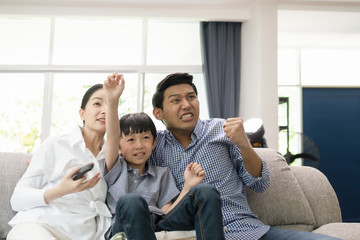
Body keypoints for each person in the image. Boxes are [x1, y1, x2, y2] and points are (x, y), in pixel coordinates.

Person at [150, 72, 341, 240]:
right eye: (176, 100)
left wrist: (243, 143)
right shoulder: (152, 146)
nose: (186, 104)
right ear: (158, 113)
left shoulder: (221, 129)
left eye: (191, 97)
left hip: (246, 229)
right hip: (195, 233)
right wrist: (117, 101)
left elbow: (259, 182)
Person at [101, 73, 225, 240]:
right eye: (130, 140)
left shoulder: (161, 174)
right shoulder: (116, 168)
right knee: (132, 201)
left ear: (154, 143)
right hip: (127, 222)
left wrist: (188, 186)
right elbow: (112, 136)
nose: (139, 145)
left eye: (145, 138)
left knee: (206, 191)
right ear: (119, 147)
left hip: (158, 223)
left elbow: (168, 212)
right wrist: (112, 101)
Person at [8, 83, 113, 240]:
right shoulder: (56, 145)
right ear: (82, 114)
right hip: (41, 225)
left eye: (110, 105)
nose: (104, 110)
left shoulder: (113, 158)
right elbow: (17, 200)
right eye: (97, 103)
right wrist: (61, 190)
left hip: (83, 234)